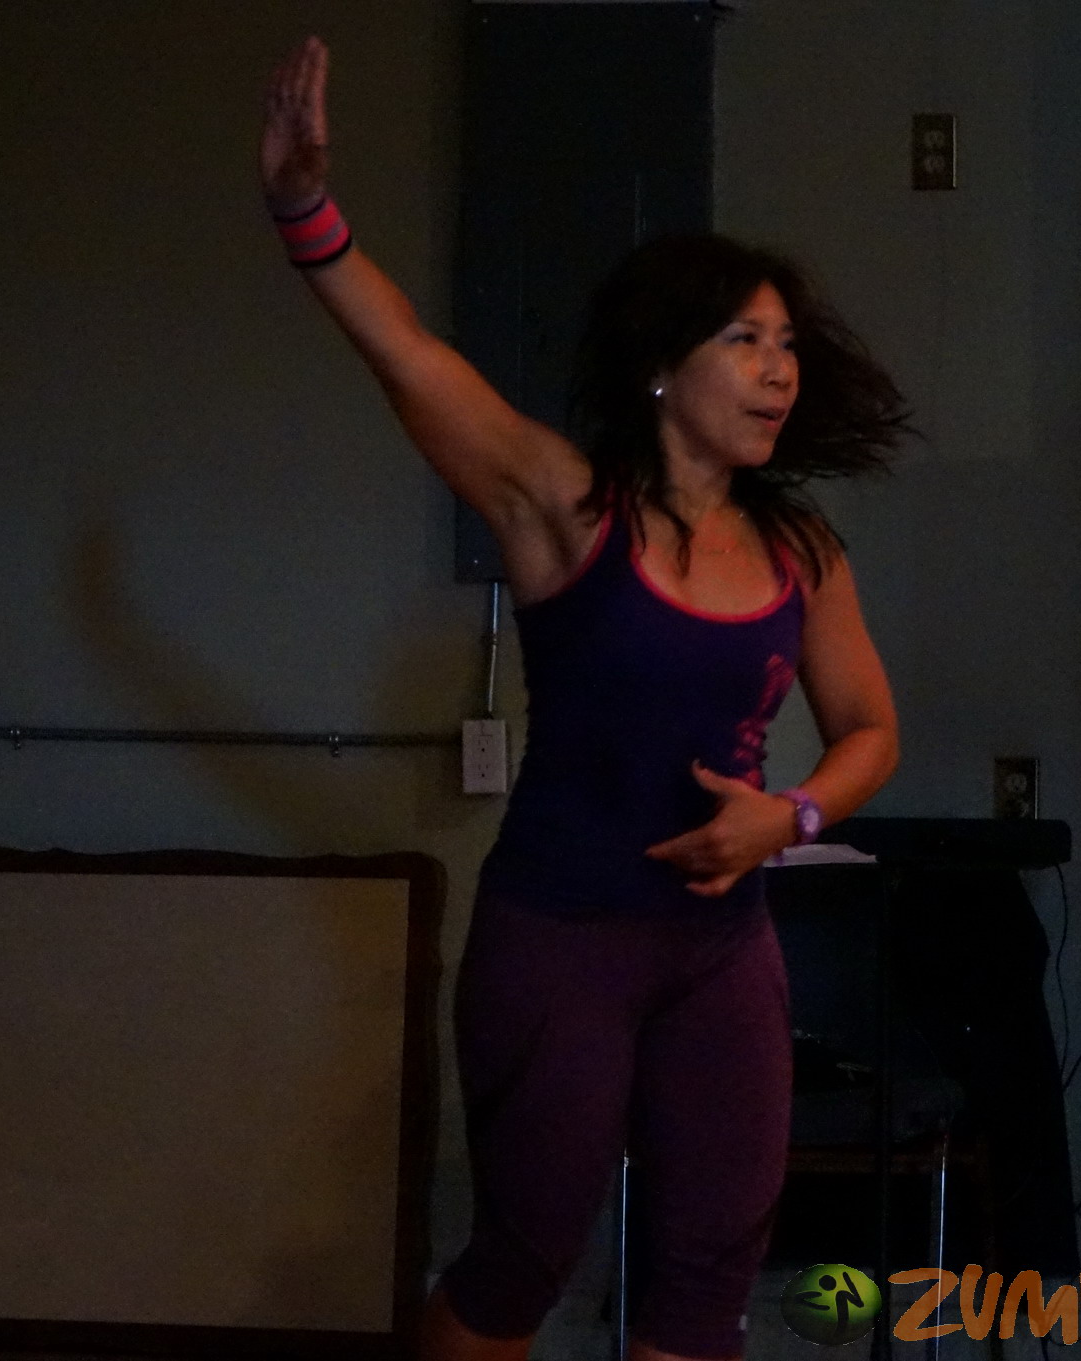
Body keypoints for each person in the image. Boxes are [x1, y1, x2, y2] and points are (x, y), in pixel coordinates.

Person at [260, 36, 906, 1361]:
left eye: (789, 345)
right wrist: (304, 210)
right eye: (746, 340)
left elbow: (871, 733)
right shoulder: (567, 509)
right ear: (666, 365)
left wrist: (785, 819)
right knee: (522, 1258)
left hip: (722, 952)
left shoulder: (803, 551)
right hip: (560, 940)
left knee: (709, 1272)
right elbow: (409, 356)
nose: (779, 369)